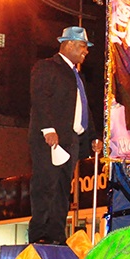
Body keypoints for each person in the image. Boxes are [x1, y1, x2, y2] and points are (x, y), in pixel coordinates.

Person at [28, 26, 102, 245]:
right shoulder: (47, 67)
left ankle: (56, 234)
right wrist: (48, 129)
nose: (85, 52)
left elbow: (84, 109)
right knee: (45, 185)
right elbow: (40, 97)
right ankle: (39, 234)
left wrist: (93, 137)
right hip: (50, 139)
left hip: (71, 141)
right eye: (82, 46)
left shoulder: (77, 76)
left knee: (62, 189)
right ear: (68, 44)